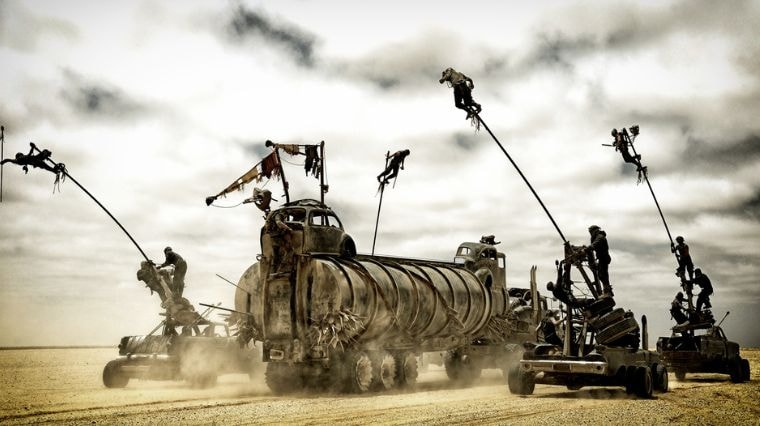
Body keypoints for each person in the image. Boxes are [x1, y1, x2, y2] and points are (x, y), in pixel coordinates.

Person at [586, 225, 613, 298]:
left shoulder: (600, 237)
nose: (590, 233)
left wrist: (587, 249)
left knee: (602, 275)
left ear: (594, 231)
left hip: (603, 258)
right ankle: (607, 291)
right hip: (602, 258)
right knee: (602, 275)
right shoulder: (599, 236)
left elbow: (595, 244)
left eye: (591, 232)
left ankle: (607, 292)